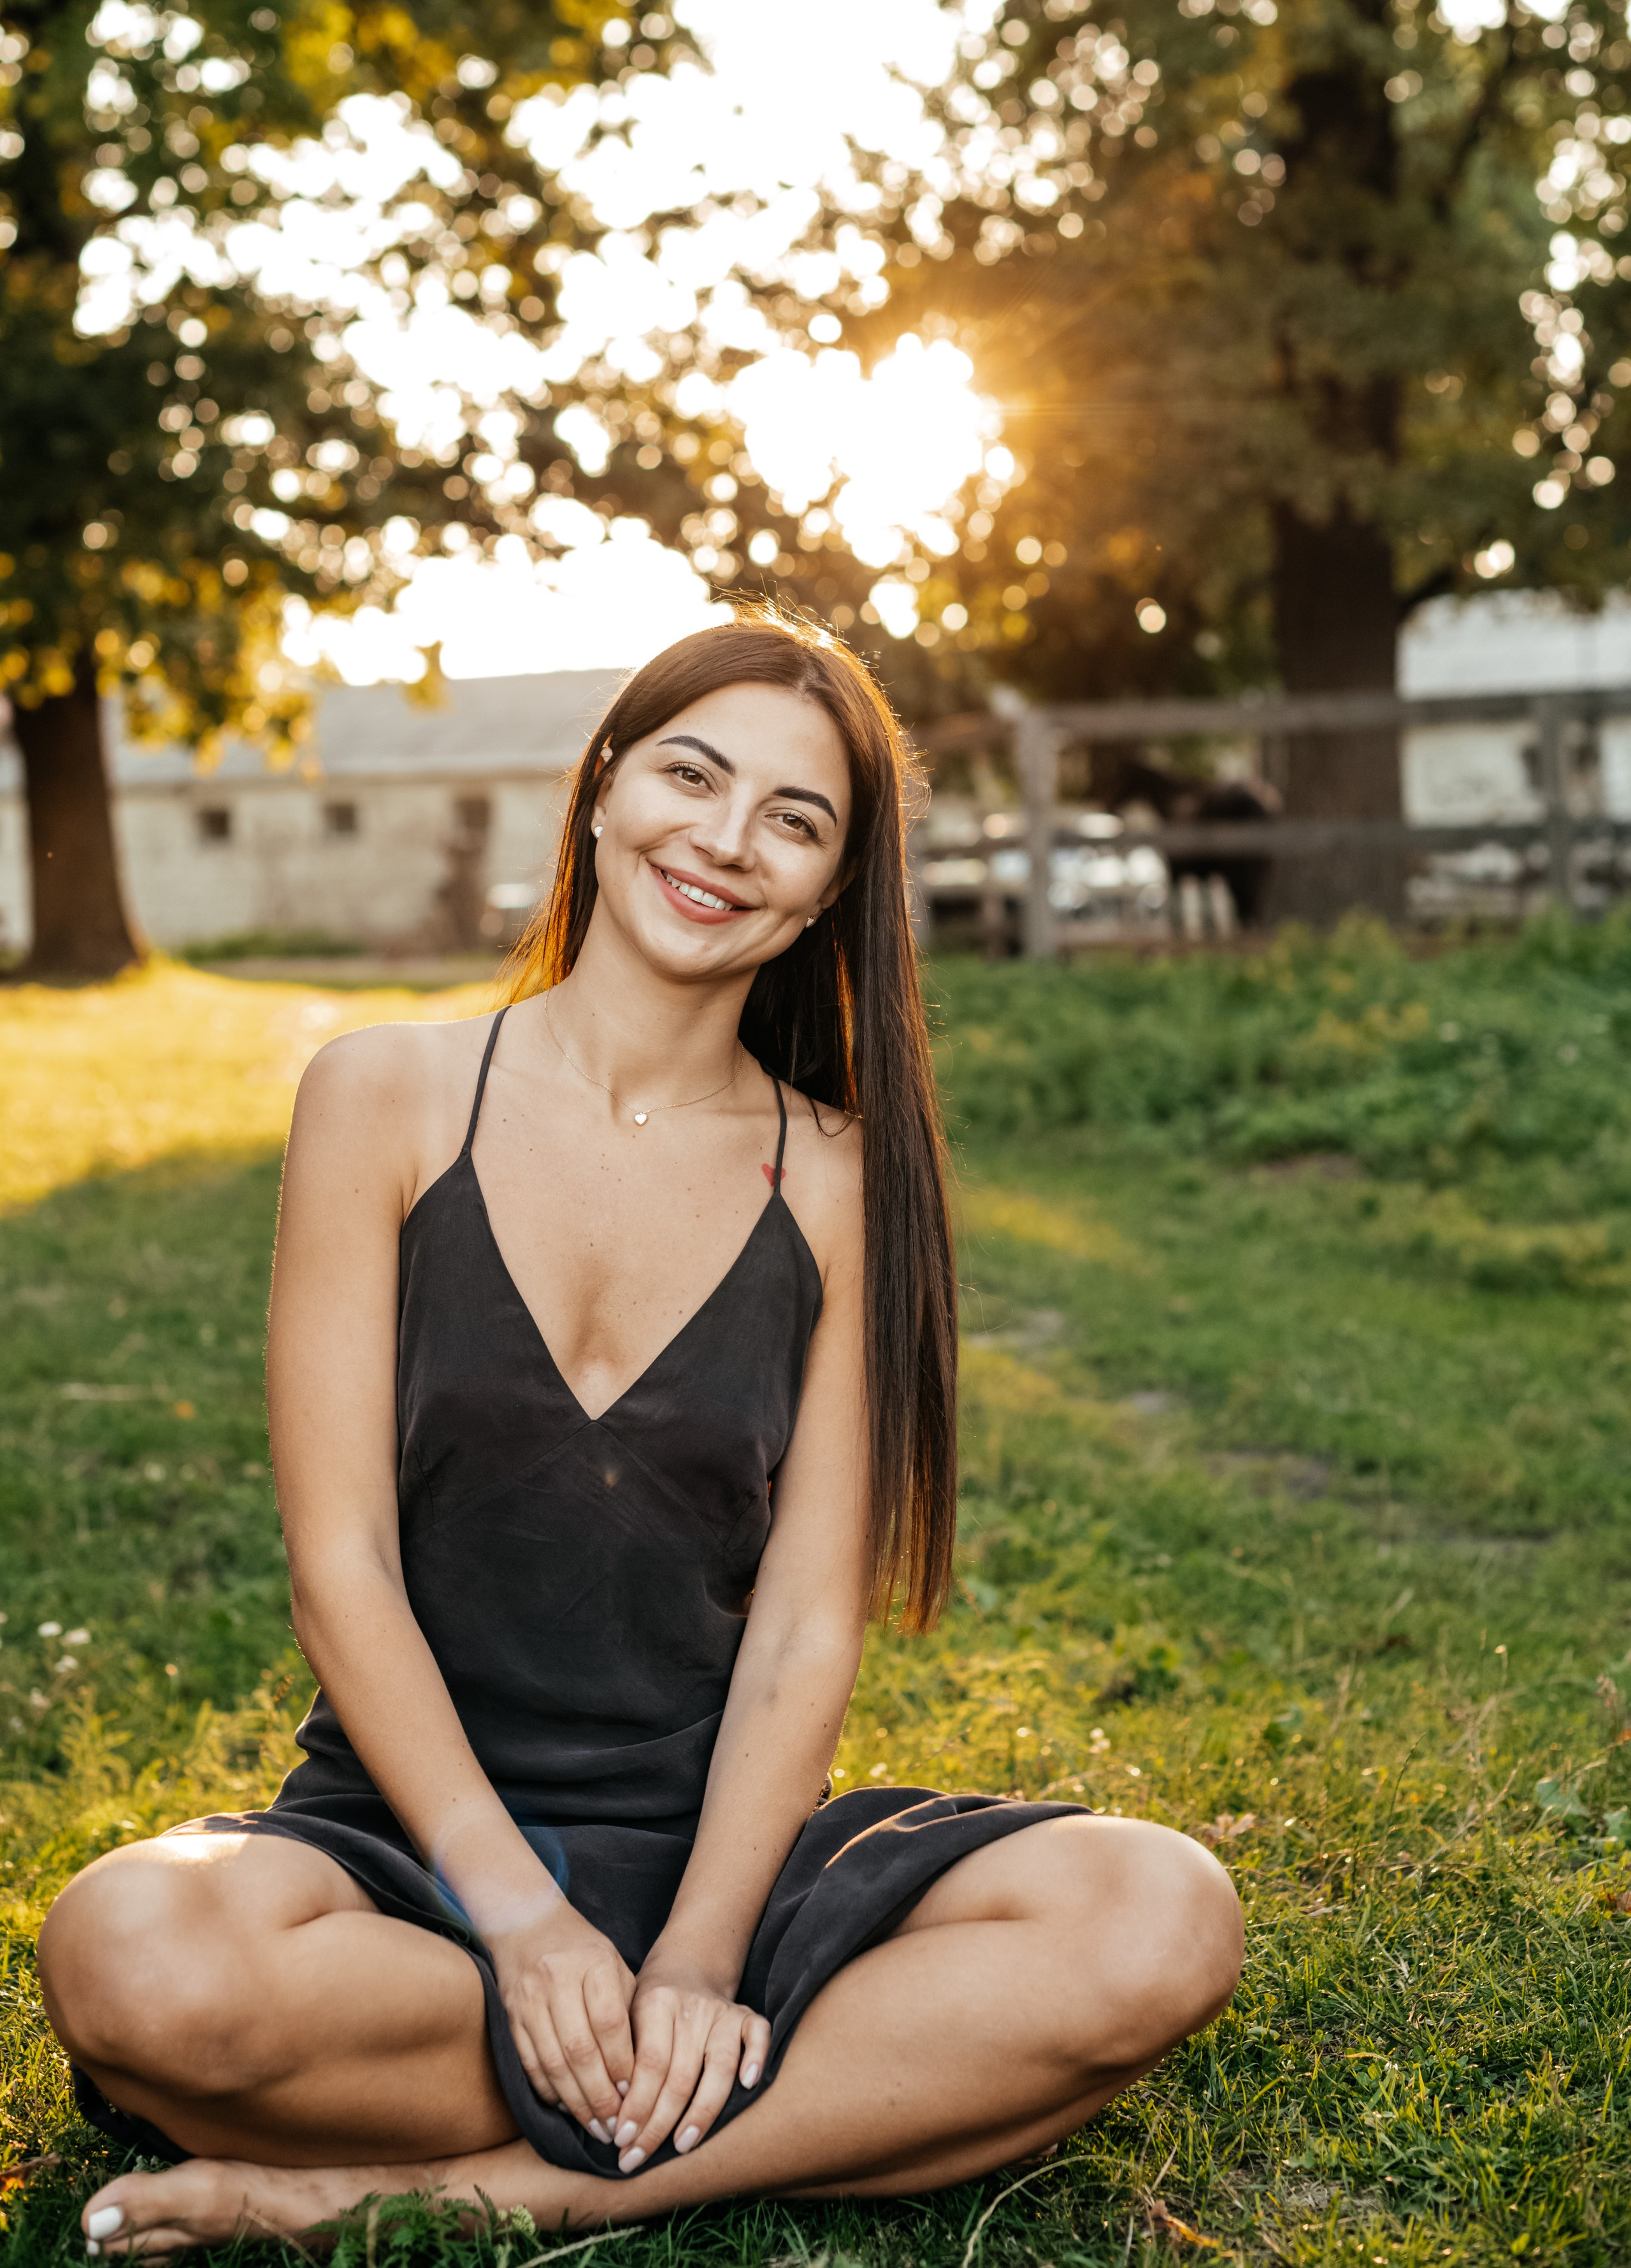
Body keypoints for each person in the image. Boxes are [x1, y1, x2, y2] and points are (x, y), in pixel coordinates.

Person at [39, 615, 1242, 2256]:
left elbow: (809, 1623)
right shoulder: (382, 1100)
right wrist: (523, 1924)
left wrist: (691, 1955)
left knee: (1159, 1918)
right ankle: (815, 2100)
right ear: (602, 787)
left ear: (829, 893)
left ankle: (436, 2197)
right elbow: (340, 1567)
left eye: (793, 820)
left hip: (726, 1874)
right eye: (691, 772)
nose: (723, 842)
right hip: (406, 1859)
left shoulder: (839, 1174)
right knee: (132, 1958)